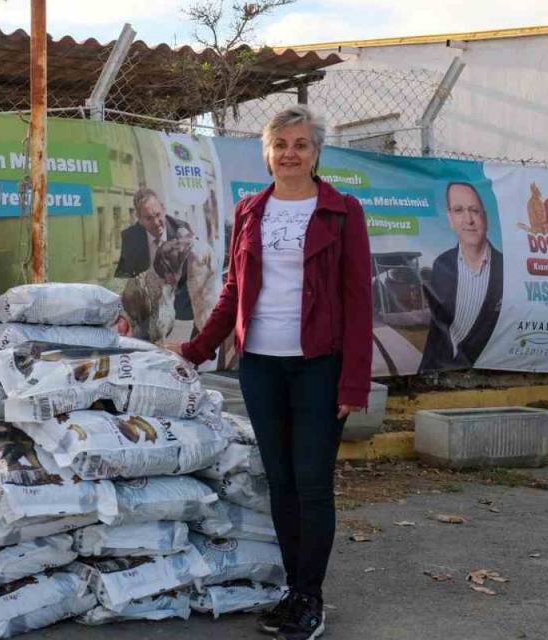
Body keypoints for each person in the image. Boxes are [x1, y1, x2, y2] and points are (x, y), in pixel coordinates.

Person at [169, 105, 372, 640]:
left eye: (301, 144)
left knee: (311, 484)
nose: (289, 154)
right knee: (280, 482)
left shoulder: (342, 212)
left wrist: (353, 381)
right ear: (267, 154)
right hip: (260, 365)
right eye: (280, 144)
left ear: (316, 153)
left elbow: (358, 302)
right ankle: (291, 590)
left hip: (319, 368)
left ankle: (311, 597)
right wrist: (193, 351)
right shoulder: (251, 211)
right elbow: (234, 291)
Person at [419, 182, 503, 373]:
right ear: (450, 218)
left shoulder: (506, 269)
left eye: (474, 210)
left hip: (489, 375)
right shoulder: (441, 265)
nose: (468, 220)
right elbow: (437, 331)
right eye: (458, 210)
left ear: (485, 217)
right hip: (439, 374)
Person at [115, 188, 194, 329]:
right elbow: (124, 276)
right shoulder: (129, 237)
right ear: (139, 220)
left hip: (181, 313)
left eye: (158, 215)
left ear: (163, 209)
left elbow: (193, 276)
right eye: (149, 218)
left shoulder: (182, 230)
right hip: (145, 313)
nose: (157, 222)